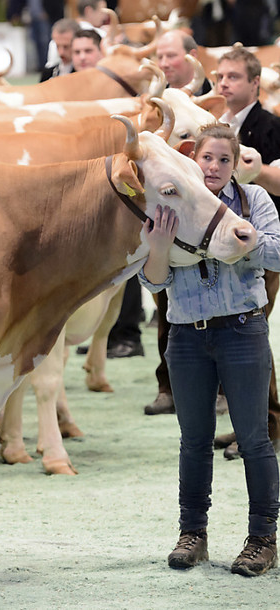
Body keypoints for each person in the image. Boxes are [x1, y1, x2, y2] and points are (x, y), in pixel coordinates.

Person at [138, 122, 280, 576]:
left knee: (255, 440)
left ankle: (262, 539)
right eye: (207, 158)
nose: (215, 166)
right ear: (191, 160)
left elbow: (278, 253)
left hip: (242, 330)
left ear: (236, 163)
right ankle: (192, 534)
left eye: (224, 159)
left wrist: (243, 240)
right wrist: (158, 247)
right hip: (186, 336)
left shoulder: (253, 201)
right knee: (193, 441)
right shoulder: (172, 203)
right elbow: (152, 280)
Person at [211, 47, 280, 456]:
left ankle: (267, 424)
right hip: (224, 242)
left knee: (251, 333)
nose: (223, 83)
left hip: (264, 241)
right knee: (237, 333)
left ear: (256, 82)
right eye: (220, 76)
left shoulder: (270, 126)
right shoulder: (216, 124)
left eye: (233, 77)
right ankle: (247, 424)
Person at [144, 30, 213, 412]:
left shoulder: (199, 106)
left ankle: (216, 387)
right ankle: (167, 384)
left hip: (201, 210)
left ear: (192, 55)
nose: (165, 62)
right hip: (165, 209)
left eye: (172, 55)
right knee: (165, 301)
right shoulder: (151, 105)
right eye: (160, 56)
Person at [155, 30, 212, 95]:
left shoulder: (215, 94)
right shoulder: (155, 100)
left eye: (171, 56)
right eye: (160, 57)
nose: (164, 64)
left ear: (192, 55)